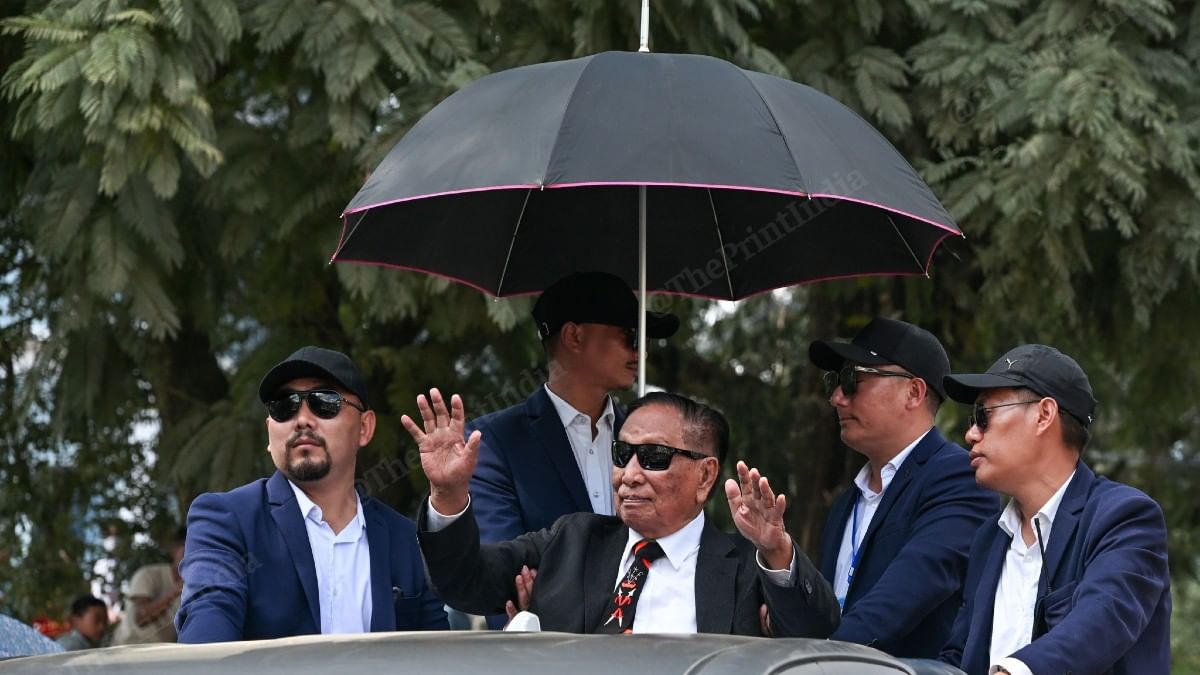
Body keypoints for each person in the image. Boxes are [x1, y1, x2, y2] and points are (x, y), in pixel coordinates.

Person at [403, 388, 839, 636]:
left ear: (705, 477)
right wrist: (448, 493)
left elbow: (816, 631)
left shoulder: (747, 571)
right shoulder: (571, 541)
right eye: (622, 453)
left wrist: (778, 551)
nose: (628, 474)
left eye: (652, 456)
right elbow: (463, 583)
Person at [177, 346, 448, 642]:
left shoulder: (404, 538)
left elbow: (438, 655)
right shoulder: (227, 520)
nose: (302, 419)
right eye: (284, 406)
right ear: (270, 432)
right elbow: (208, 621)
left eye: (324, 402)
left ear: (364, 428)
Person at [939, 344, 1171, 675]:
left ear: (1044, 415)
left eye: (983, 415)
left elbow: (1101, 620)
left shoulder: (1125, 517)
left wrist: (1014, 670)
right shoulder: (989, 539)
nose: (970, 433)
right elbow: (960, 657)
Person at [467, 271, 679, 627]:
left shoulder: (653, 443)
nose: (639, 351)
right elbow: (501, 578)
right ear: (574, 336)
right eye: (629, 335)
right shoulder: (493, 443)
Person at [808, 317, 996, 657]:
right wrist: (780, 558)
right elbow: (826, 612)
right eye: (835, 381)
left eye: (852, 380)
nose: (837, 397)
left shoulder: (959, 479)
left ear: (913, 392)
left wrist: (820, 657)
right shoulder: (845, 503)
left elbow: (909, 590)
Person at [113, 528, 186, 645]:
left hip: (161, 655)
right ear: (174, 551)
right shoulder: (147, 575)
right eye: (185, 550)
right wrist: (176, 590)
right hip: (128, 648)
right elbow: (141, 617)